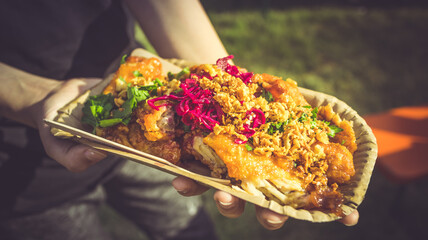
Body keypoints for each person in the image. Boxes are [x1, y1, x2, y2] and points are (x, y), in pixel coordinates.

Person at [0, 0, 359, 239]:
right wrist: (33, 97)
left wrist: (229, 84)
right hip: (22, 179)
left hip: (149, 148)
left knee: (191, 230)